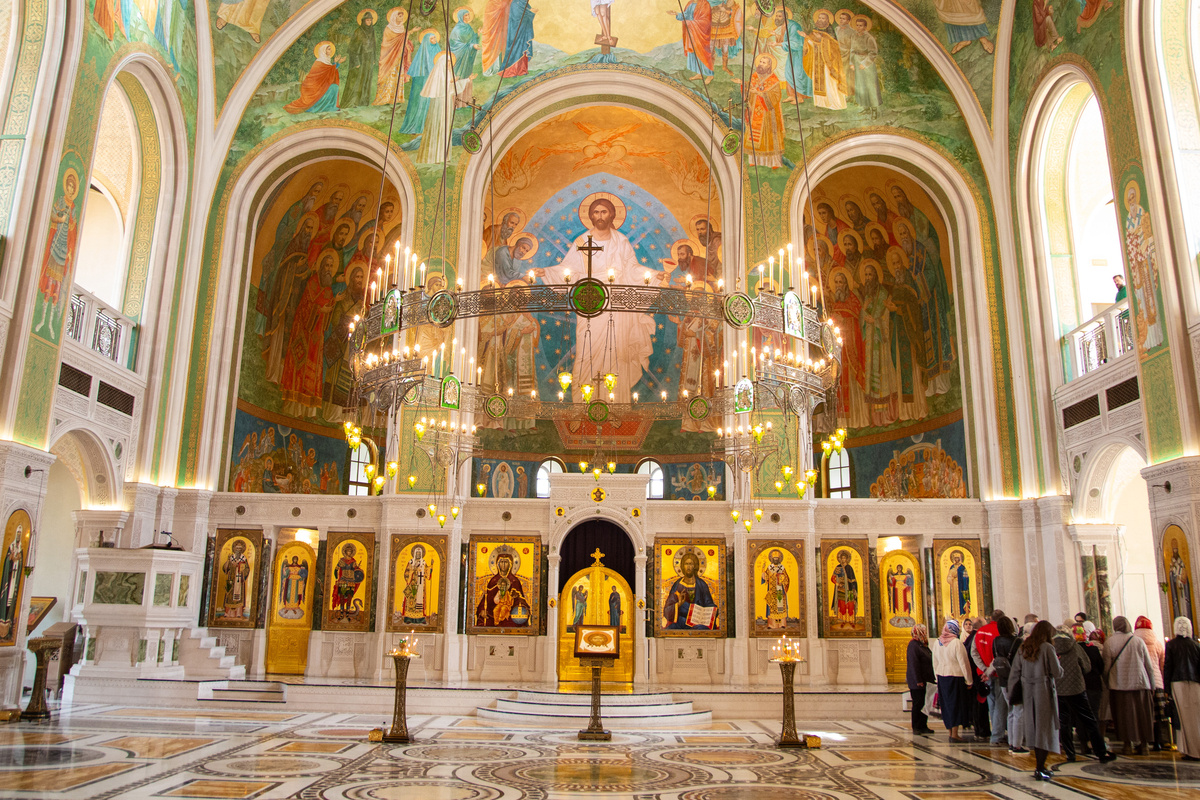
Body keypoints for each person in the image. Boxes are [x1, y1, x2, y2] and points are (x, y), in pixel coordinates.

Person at [1054, 623, 1116, 763]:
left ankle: (1070, 754)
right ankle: (1101, 752)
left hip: (1059, 689)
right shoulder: (1075, 647)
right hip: (1076, 688)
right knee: (1089, 720)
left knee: (1064, 723)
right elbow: (1087, 667)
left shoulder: (1052, 648)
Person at [1010, 621, 1063, 781]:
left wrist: (1013, 692)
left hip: (1027, 691)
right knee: (1044, 729)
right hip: (1043, 690)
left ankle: (1039, 766)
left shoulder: (1023, 647)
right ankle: (1040, 767)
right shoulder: (1047, 648)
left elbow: (1015, 671)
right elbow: (1057, 672)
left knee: (1033, 727)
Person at [1104, 616, 1158, 755]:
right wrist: (1152, 685)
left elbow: (1106, 667)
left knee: (1123, 717)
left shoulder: (1110, 642)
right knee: (1142, 716)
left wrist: (1106, 682)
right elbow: (1148, 666)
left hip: (1119, 685)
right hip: (1140, 683)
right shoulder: (1138, 641)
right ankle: (1144, 746)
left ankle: (1127, 745)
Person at [1163, 616, 1200, 761]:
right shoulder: (1196, 645)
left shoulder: (1171, 645)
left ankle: (1189, 750)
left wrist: (1167, 689)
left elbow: (1168, 667)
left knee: (1184, 718)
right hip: (1195, 683)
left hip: (1178, 683)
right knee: (1196, 717)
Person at [932, 619, 974, 742]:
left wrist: (936, 677)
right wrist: (969, 680)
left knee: (946, 705)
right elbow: (963, 663)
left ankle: (951, 732)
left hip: (942, 676)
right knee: (955, 704)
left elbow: (934, 662)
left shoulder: (938, 642)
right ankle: (954, 734)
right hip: (955, 676)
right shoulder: (956, 642)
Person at [971, 609, 1009, 744]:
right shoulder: (999, 632)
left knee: (992, 704)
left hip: (984, 674)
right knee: (1000, 705)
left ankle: (996, 732)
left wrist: (983, 669)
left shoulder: (980, 631)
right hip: (997, 673)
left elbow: (974, 652)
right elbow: (999, 655)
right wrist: (989, 670)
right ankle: (997, 735)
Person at [1134, 616, 1169, 749]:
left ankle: (1145, 741)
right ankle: (1158, 742)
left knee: (1145, 713)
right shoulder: (1157, 643)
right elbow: (1162, 665)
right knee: (1159, 714)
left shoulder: (1134, 642)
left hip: (1142, 682)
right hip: (1158, 682)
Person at [963, 616, 990, 739]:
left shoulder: (969, 638)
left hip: (973, 675)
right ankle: (982, 730)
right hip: (978, 675)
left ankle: (979, 729)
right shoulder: (977, 637)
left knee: (976, 704)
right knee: (980, 704)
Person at [907, 624, 936, 735]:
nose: (924, 633)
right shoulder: (913, 645)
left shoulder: (922, 644)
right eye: (922, 631)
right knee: (918, 704)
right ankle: (916, 726)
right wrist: (918, 680)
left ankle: (923, 725)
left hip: (926, 679)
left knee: (925, 703)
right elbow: (914, 664)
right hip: (918, 682)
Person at [1081, 628, 1107, 753]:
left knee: (1081, 715)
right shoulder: (1094, 649)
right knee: (1094, 714)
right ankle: (1095, 743)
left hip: (1081, 685)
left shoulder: (1077, 648)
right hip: (1095, 685)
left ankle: (1084, 743)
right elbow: (1102, 668)